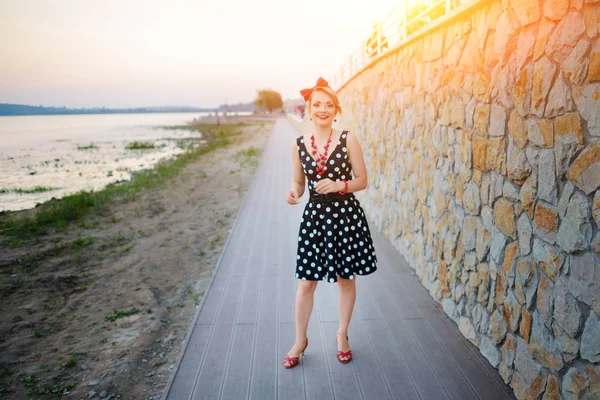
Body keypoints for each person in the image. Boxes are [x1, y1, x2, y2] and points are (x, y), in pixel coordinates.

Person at [283, 77, 378, 369]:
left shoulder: (348, 139)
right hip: (314, 220)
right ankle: (301, 340)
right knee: (305, 285)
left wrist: (339, 185)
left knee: (345, 280)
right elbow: (299, 183)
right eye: (317, 105)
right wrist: (294, 193)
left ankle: (342, 334)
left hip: (346, 218)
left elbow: (363, 180)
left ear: (335, 110)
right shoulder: (299, 145)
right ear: (308, 110)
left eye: (328, 104)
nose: (322, 109)